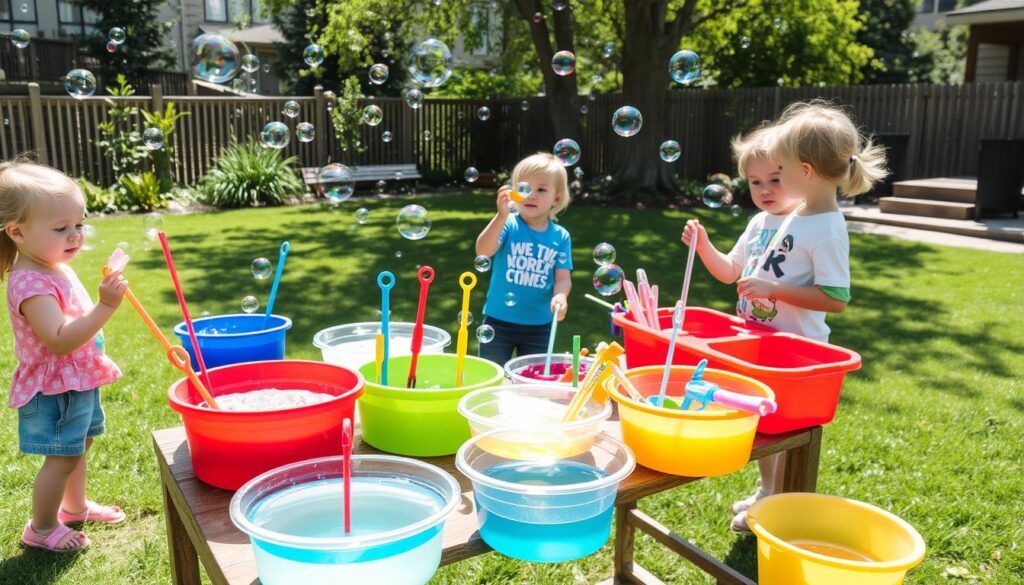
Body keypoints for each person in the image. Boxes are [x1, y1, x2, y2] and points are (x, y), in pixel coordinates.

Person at [682, 101, 887, 531]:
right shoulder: (783, 218)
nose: (770, 183)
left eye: (781, 171)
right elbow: (733, 273)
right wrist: (703, 246)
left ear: (804, 172)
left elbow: (836, 298)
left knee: (778, 431)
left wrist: (775, 290)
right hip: (760, 343)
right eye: (758, 179)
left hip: (795, 352)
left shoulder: (827, 226)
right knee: (763, 425)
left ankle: (776, 508)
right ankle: (767, 495)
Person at [1, 161, 128, 552]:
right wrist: (105, 307)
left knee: (78, 447)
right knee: (60, 458)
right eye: (61, 228)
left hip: (77, 381)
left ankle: (74, 508)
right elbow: (58, 340)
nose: (74, 235)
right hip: (56, 387)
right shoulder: (29, 282)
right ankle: (40, 529)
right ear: (17, 232)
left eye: (79, 224)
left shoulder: (52, 265)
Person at [475, 153, 573, 365]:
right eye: (525, 188)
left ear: (556, 198)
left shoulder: (560, 236)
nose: (531, 195)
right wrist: (500, 216)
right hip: (498, 321)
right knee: (493, 374)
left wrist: (561, 296)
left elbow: (563, 277)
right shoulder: (508, 224)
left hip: (540, 324)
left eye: (541, 189)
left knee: (531, 380)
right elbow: (483, 251)